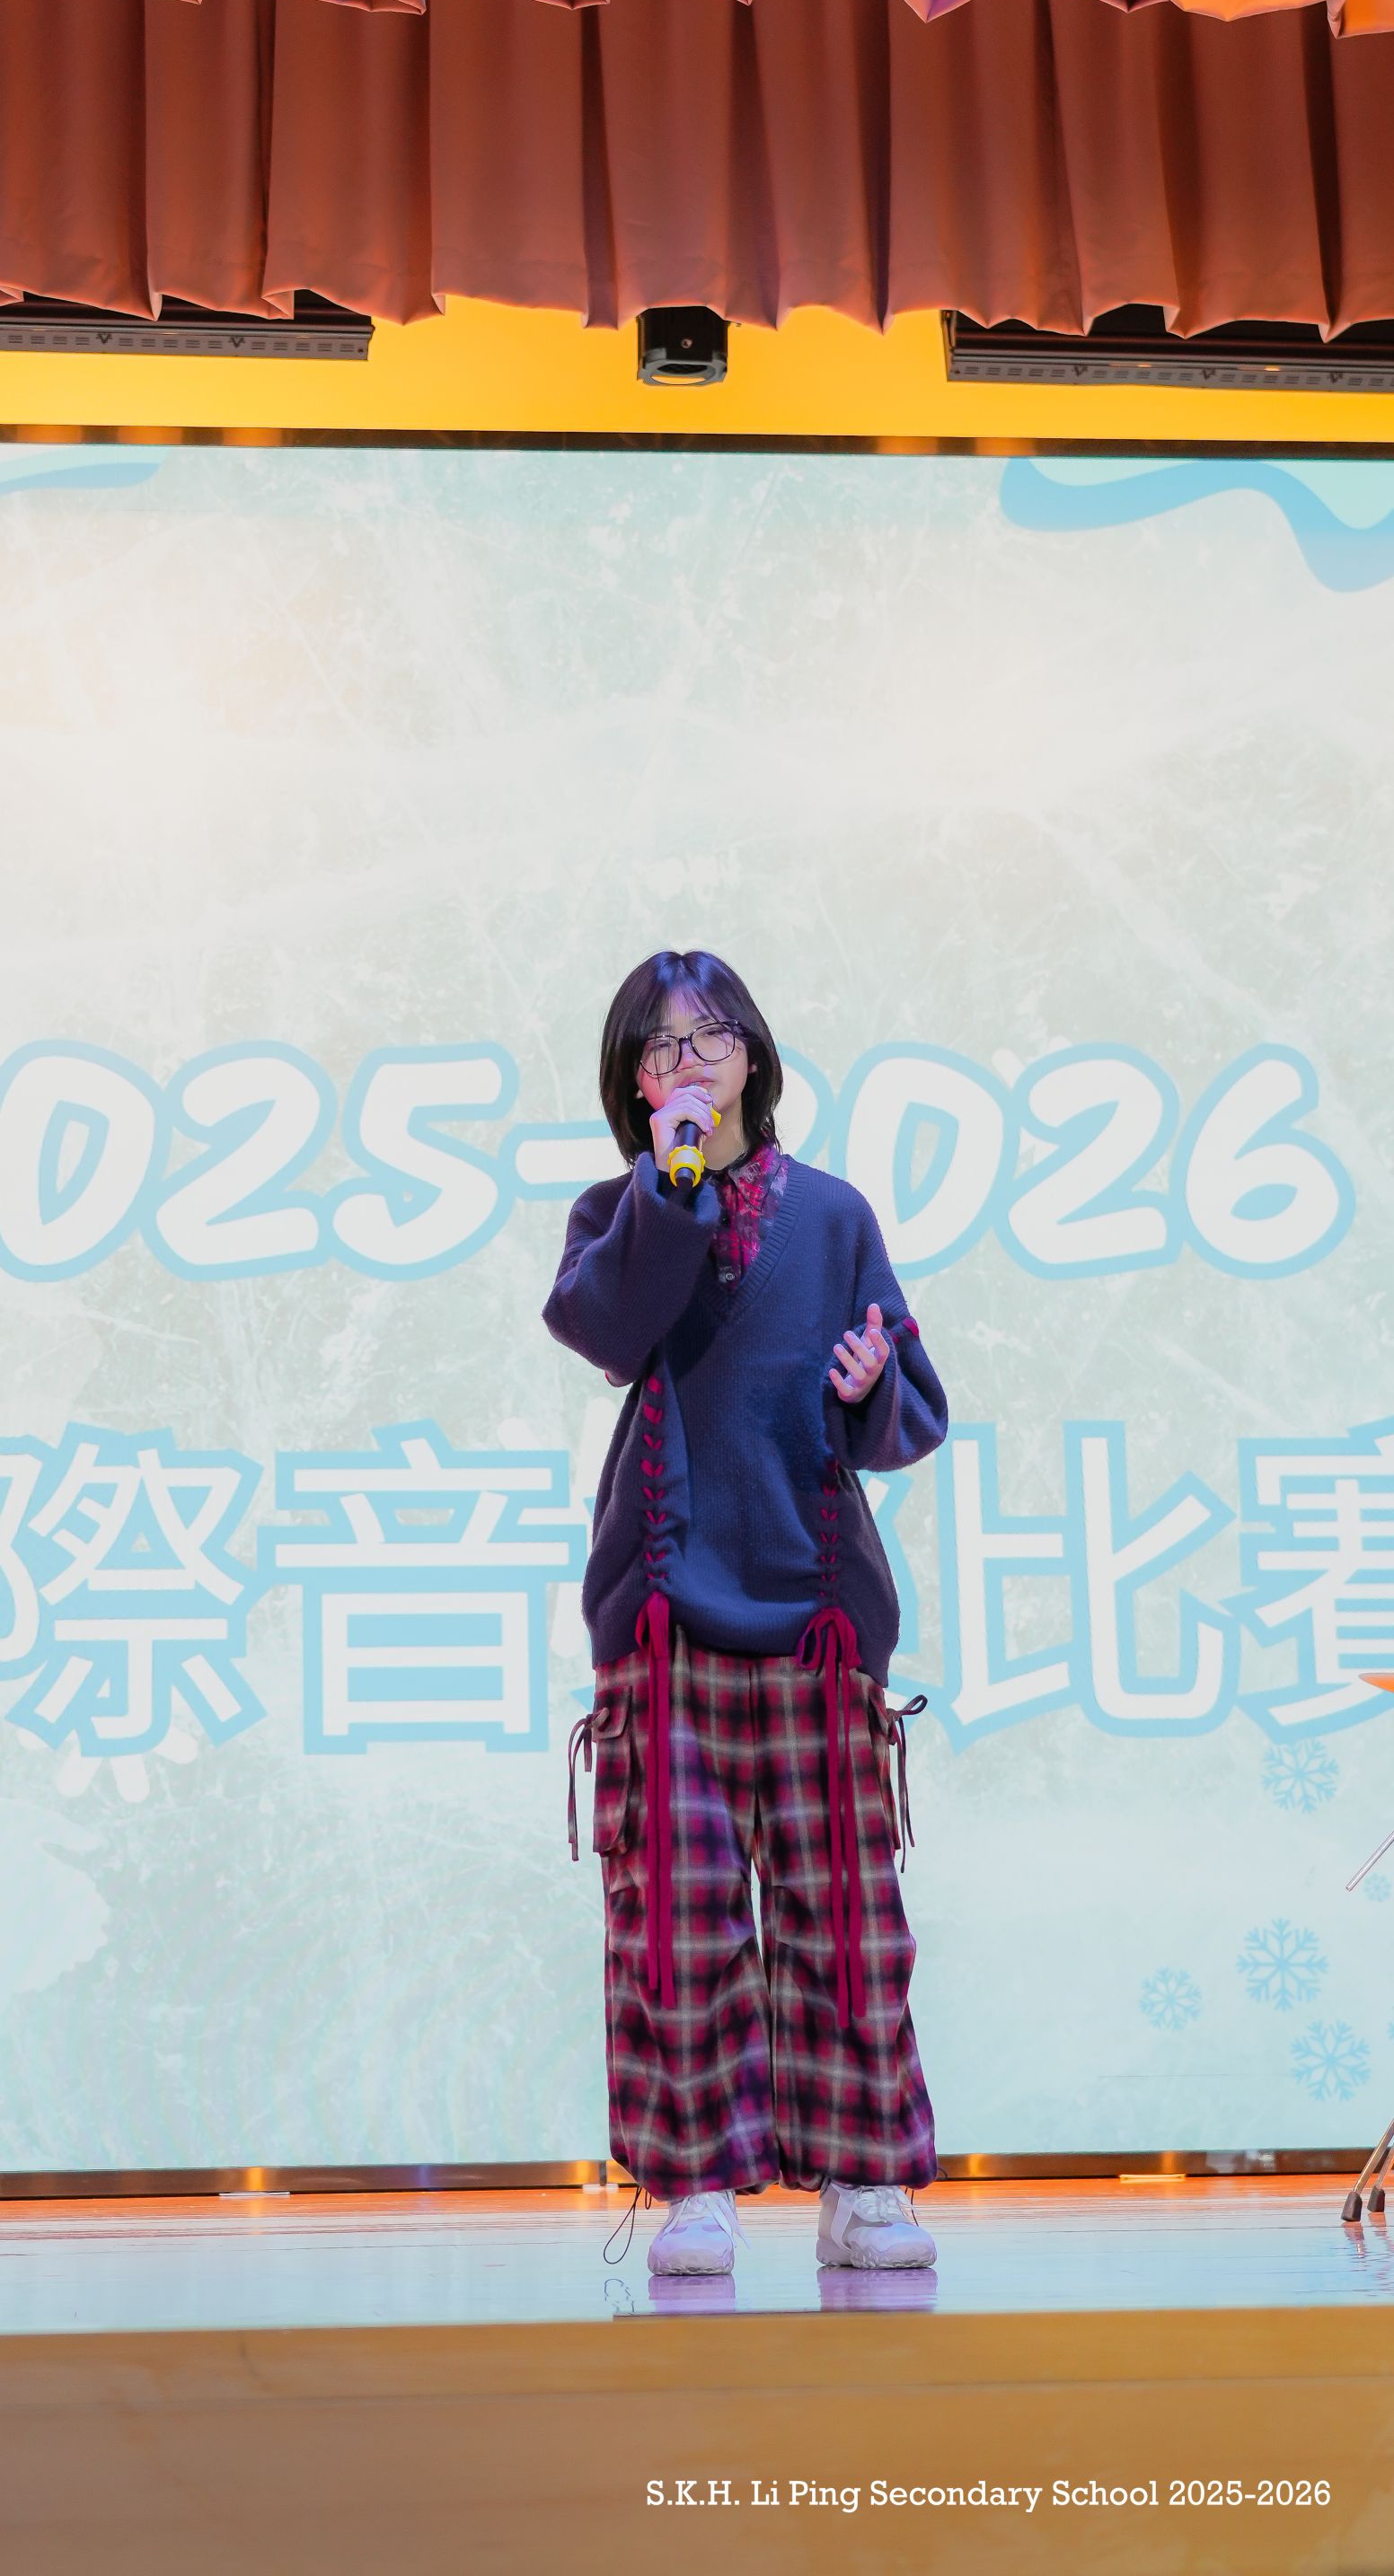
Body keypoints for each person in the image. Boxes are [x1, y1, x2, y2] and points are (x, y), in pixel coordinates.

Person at [544, 949, 948, 2277]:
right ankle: (695, 2186)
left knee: (846, 1921)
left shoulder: (833, 1216)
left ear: (755, 1060)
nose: (690, 1064)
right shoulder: (619, 1211)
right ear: (633, 1085)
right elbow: (609, 1331)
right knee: (679, 1923)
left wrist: (868, 1388)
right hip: (666, 1622)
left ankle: (863, 2182)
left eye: (712, 1038)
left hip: (816, 1614)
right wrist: (671, 1193)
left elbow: (912, 1412)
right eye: (661, 1048)